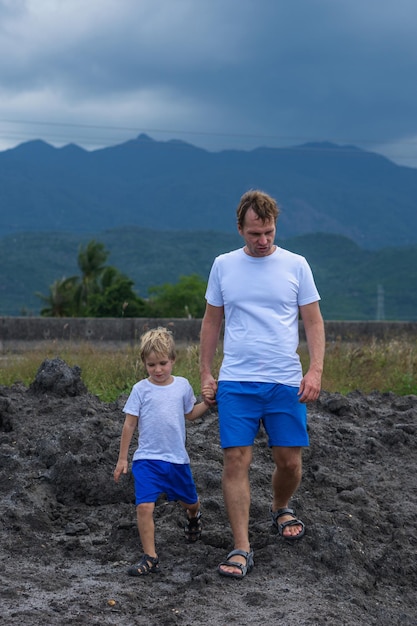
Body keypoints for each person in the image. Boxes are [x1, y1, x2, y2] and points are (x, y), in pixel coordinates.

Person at [200, 189, 325, 579]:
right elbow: (210, 322)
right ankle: (241, 546)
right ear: (240, 228)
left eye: (269, 232)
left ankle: (279, 506)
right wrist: (206, 371)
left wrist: (315, 369)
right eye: (255, 233)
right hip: (237, 380)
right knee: (236, 459)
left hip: (285, 381)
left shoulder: (296, 265)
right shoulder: (223, 266)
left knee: (289, 461)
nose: (263, 240)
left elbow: (314, 322)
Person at [114, 326, 214, 577]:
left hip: (176, 460)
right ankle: (150, 556)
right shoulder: (140, 390)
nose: (157, 370)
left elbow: (190, 414)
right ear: (144, 364)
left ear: (172, 360)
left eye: (162, 363)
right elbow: (129, 423)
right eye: (151, 365)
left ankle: (194, 517)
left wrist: (209, 403)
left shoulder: (182, 386)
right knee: (144, 507)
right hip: (147, 460)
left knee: (190, 502)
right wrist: (123, 458)